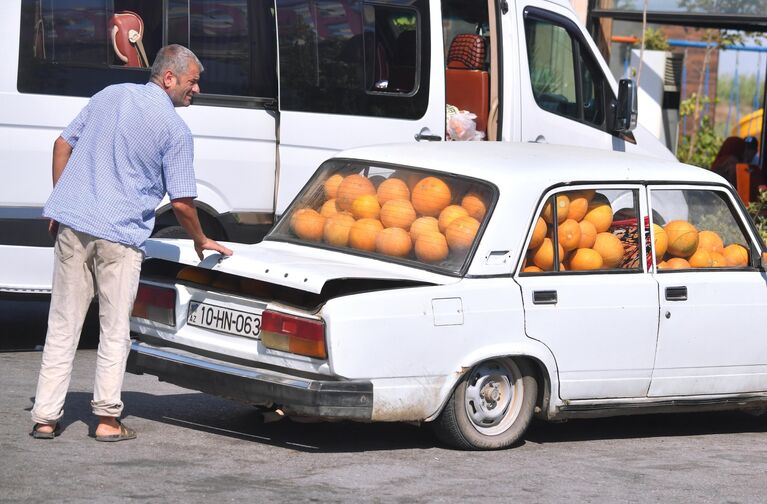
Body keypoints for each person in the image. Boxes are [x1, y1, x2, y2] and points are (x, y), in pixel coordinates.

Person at [30, 44, 233, 442]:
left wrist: (61, 201)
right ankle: (106, 420)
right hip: (120, 237)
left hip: (74, 227)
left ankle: (45, 417)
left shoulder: (111, 94)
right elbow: (181, 202)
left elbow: (61, 144)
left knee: (62, 324)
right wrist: (201, 238)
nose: (197, 90)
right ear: (169, 78)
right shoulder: (175, 130)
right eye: (193, 82)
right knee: (115, 329)